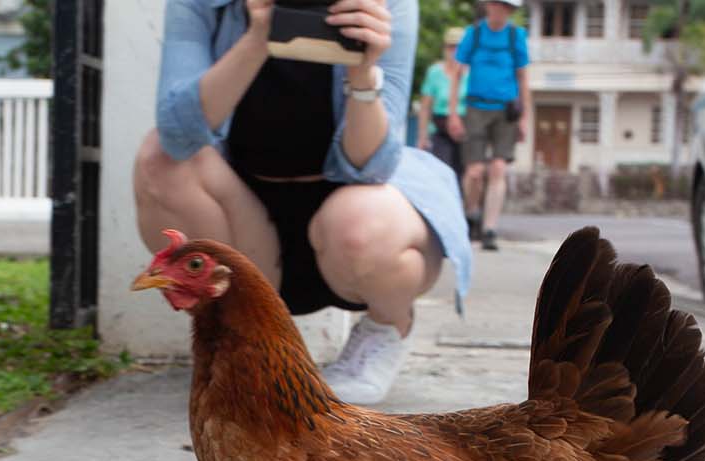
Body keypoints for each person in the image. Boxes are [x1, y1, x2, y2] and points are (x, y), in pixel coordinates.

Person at [134, 0, 472, 406]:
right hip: (242, 215)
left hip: (343, 211)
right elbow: (177, 135)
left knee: (364, 225)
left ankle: (386, 327)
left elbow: (372, 167)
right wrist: (260, 34)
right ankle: (245, 340)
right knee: (161, 162)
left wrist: (363, 71)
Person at [449, 0, 531, 252]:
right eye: (497, 4)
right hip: (475, 107)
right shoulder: (473, 34)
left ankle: (489, 229)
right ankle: (469, 212)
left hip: (505, 109)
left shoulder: (515, 36)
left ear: (511, 11)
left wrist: (525, 117)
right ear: (488, 5)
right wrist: (453, 113)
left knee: (498, 169)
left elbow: (523, 77)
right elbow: (457, 74)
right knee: (474, 172)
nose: (500, 10)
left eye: (506, 6)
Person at [415, 26, 467, 179]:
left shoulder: (472, 73)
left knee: (465, 174)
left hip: (465, 129)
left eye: (458, 47)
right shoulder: (435, 72)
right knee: (441, 170)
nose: (454, 51)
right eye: (451, 47)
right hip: (440, 128)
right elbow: (425, 107)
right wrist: (422, 136)